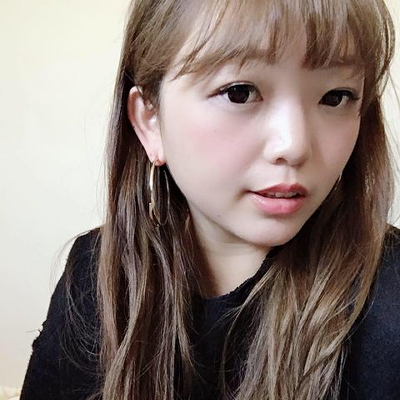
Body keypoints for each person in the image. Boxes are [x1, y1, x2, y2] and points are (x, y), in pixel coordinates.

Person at [20, 0, 400, 399]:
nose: (294, 145)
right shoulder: (93, 273)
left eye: (336, 97)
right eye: (239, 92)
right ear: (150, 121)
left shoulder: (388, 300)